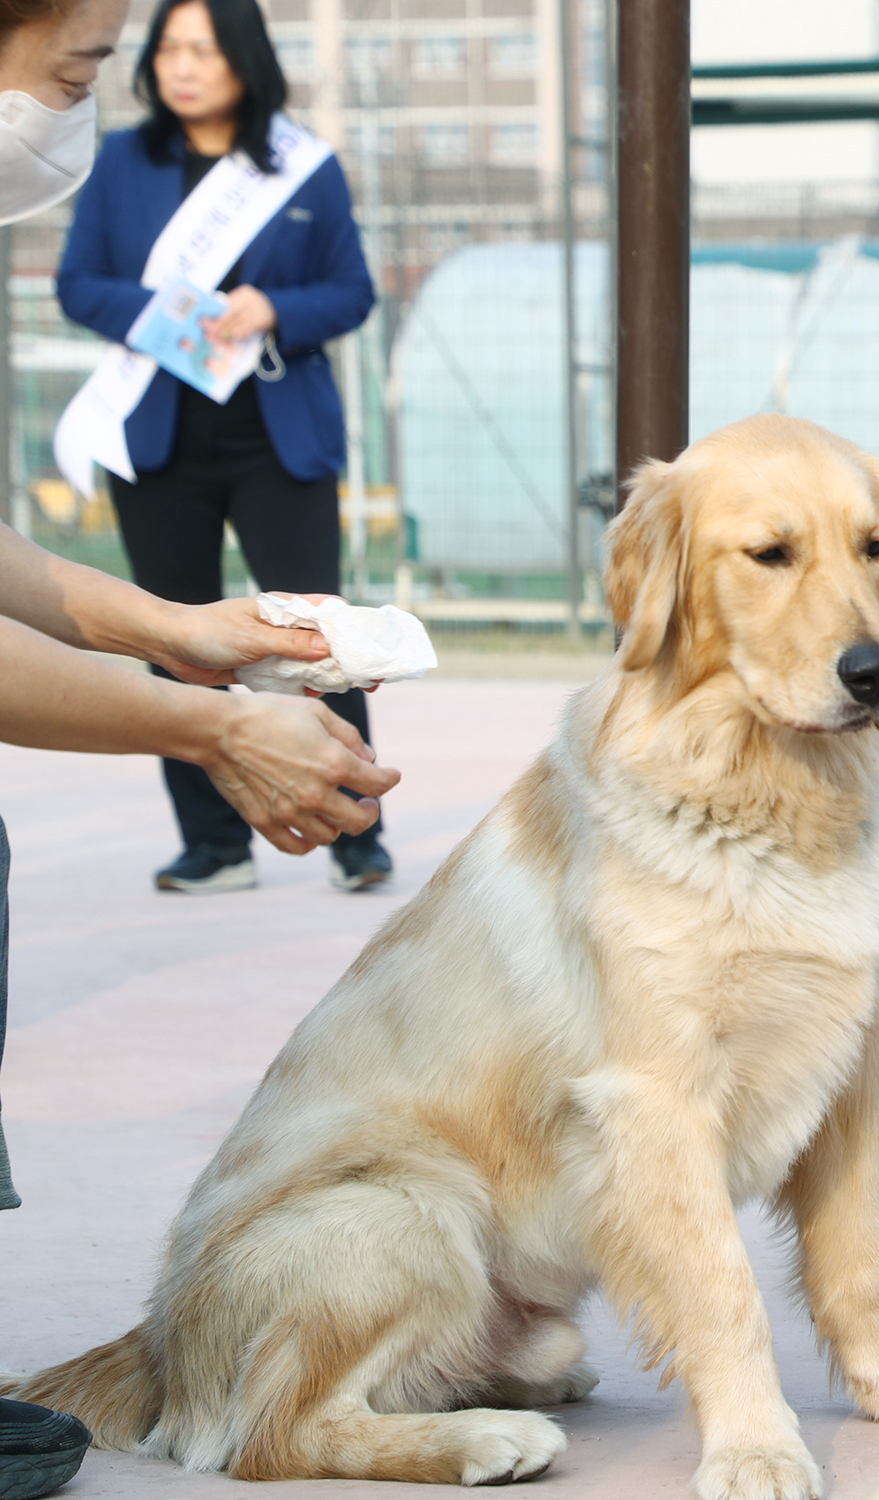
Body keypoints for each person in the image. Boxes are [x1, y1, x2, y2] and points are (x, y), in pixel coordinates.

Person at [0, 0, 395, 1488]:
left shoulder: (304, 167)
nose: (90, 97)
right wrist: (214, 725)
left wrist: (188, 629)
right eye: (83, 64)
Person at [58, 0, 386, 894]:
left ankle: (356, 822)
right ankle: (215, 843)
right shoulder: (123, 161)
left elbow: (352, 292)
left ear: (244, 59)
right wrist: (173, 318)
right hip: (162, 433)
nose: (181, 65)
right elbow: (78, 284)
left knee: (315, 632)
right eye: (168, 48)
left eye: (202, 48)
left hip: (275, 431)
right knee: (175, 637)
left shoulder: (300, 167)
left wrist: (274, 308)